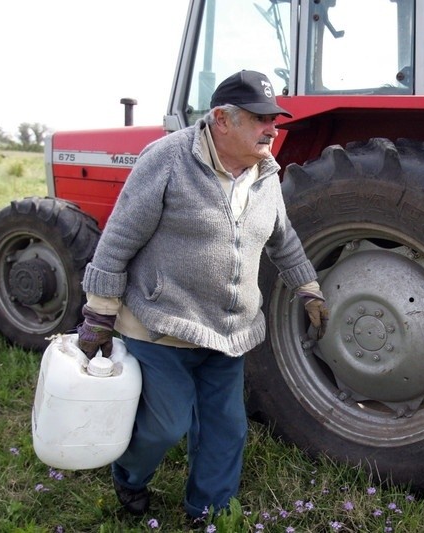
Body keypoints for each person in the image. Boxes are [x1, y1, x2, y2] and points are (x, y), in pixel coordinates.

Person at [76, 70, 329, 522]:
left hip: (228, 332)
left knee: (226, 429)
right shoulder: (168, 159)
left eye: (275, 119)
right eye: (261, 119)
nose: (273, 129)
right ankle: (129, 478)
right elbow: (118, 238)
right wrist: (99, 311)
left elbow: (282, 238)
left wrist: (308, 288)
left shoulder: (265, 174)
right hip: (160, 324)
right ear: (222, 120)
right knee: (163, 426)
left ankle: (207, 511)